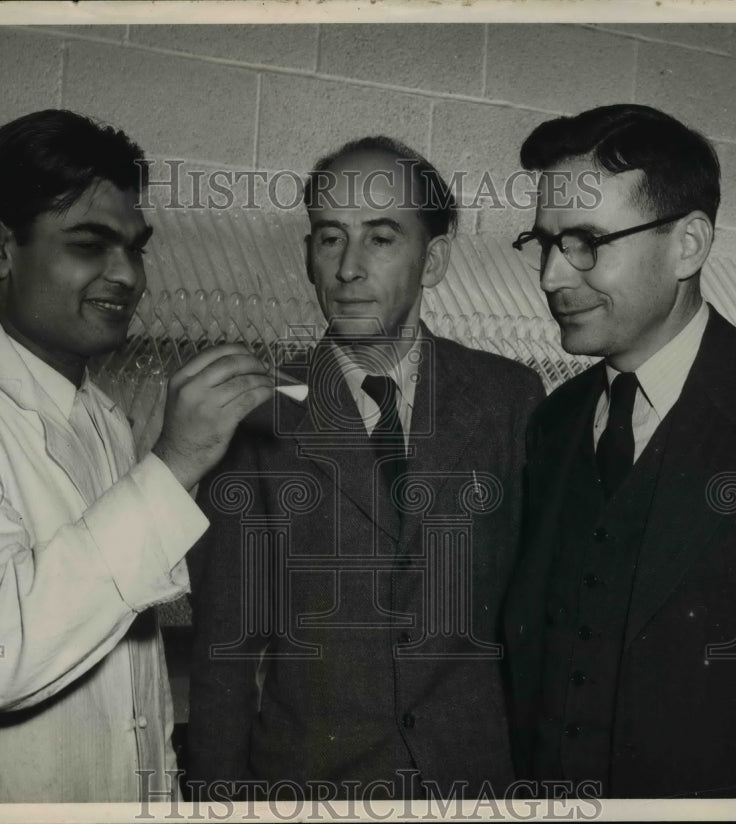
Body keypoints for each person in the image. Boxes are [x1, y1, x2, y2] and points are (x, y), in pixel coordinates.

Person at [0, 109, 275, 803]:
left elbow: (131, 689)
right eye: (90, 244)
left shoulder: (101, 418)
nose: (128, 274)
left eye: (135, 246)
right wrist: (174, 463)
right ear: (0, 247)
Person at [184, 136, 545, 799]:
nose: (348, 268)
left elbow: (537, 628)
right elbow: (222, 662)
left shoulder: (508, 400)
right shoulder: (257, 420)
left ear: (432, 260)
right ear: (309, 257)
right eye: (329, 239)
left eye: (380, 238)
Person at [502, 104, 736, 798]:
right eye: (544, 243)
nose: (551, 279)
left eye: (587, 242)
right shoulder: (555, 422)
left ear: (688, 245)